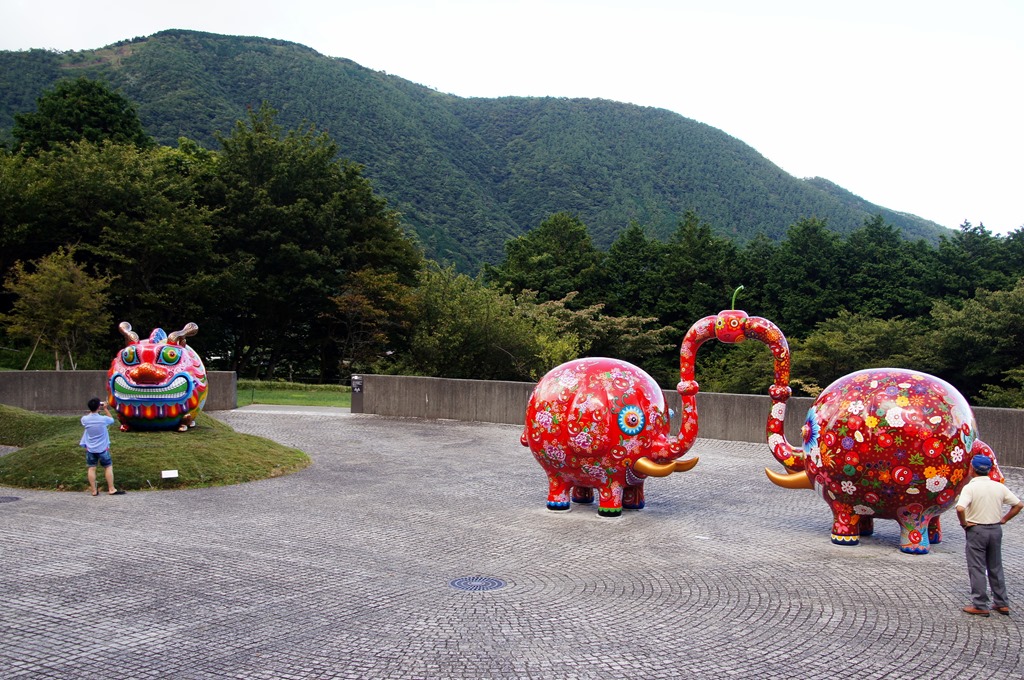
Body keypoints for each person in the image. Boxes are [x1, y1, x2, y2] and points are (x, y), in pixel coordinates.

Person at [956, 454, 1022, 616]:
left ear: (972, 469)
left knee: (977, 567)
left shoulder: (970, 488)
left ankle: (980, 604)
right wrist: (1004, 519)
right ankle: (1001, 603)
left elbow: (960, 508)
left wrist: (964, 523)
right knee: (995, 566)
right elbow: (1019, 504)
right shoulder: (998, 487)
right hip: (995, 530)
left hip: (976, 530)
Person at [80, 397, 125, 497]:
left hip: (90, 449)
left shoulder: (84, 419)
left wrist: (93, 409)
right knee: (108, 467)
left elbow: (87, 418)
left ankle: (93, 491)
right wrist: (105, 409)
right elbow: (112, 420)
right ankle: (111, 488)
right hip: (103, 448)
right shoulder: (103, 419)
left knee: (91, 468)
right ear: (98, 407)